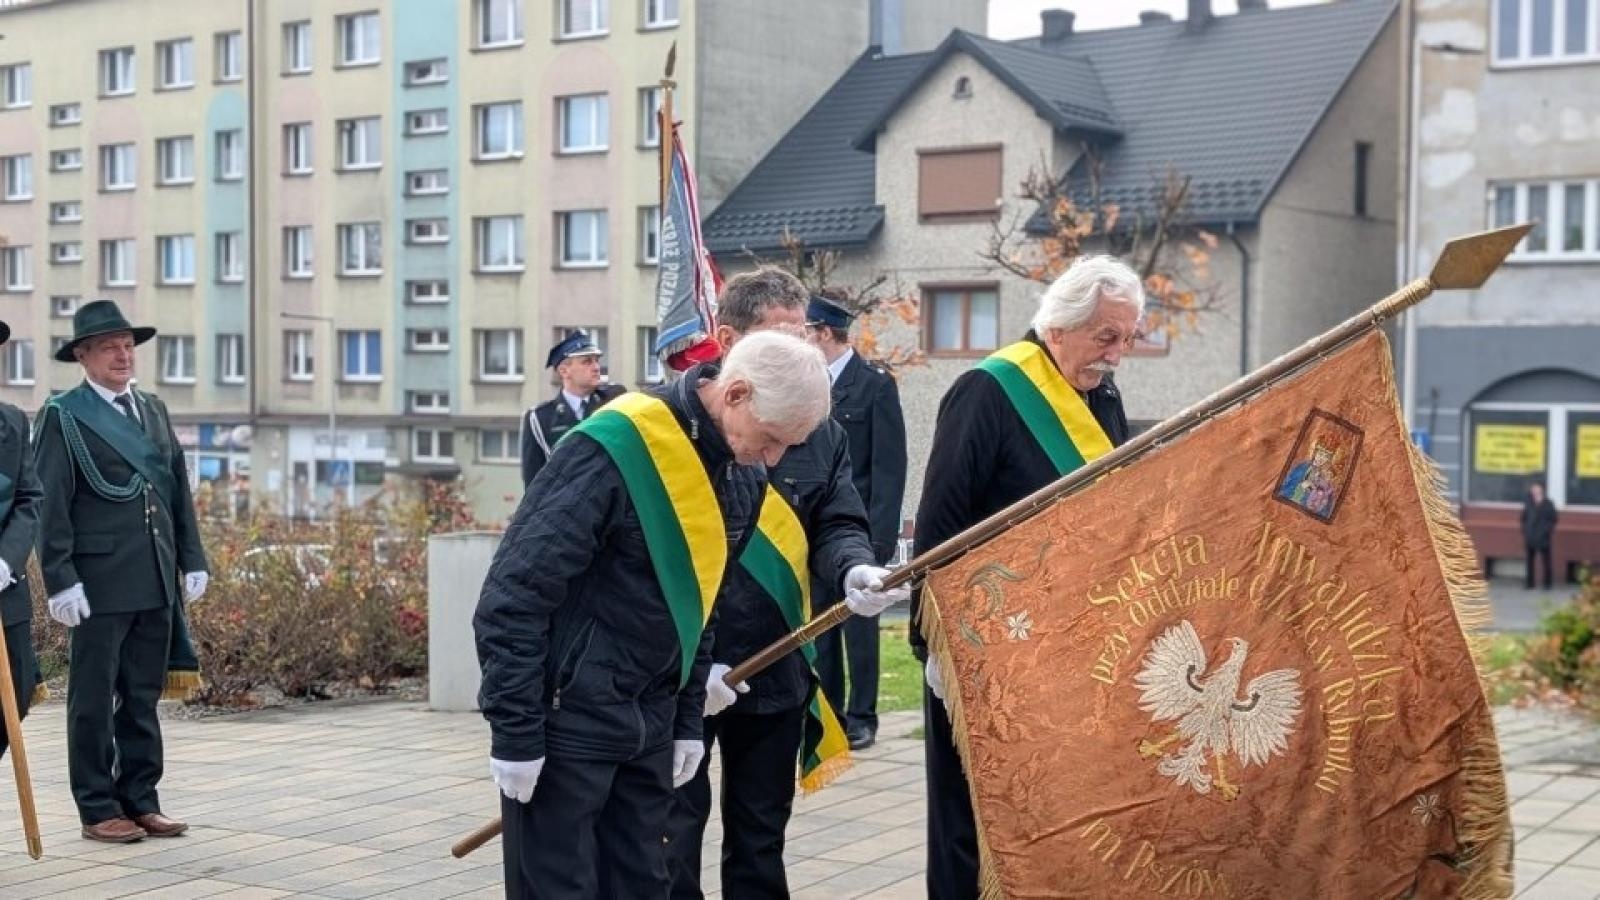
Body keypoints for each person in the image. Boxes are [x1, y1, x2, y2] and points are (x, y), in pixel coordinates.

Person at [475, 329, 835, 899]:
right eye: (770, 439)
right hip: (566, 726)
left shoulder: (742, 474)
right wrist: (516, 733)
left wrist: (687, 719)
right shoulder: (616, 446)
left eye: (788, 445)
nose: (774, 459)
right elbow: (513, 595)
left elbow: (703, 607)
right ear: (736, 394)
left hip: (651, 725)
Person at [665, 269, 906, 899]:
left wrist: (855, 567)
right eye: (780, 337)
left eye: (806, 336)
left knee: (759, 837)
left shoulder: (819, 428)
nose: (803, 354)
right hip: (686, 669)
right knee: (670, 838)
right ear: (727, 338)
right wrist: (695, 662)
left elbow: (839, 519)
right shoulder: (669, 429)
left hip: (773, 661)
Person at [913, 256, 1141, 899]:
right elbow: (939, 526)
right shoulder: (987, 392)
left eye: (1128, 338)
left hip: (1068, 643)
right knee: (969, 819)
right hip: (984, 647)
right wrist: (932, 645)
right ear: (1060, 328)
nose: (1117, 354)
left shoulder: (1101, 395)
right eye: (1106, 336)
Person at [34, 300, 209, 844]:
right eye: (109, 346)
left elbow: (176, 487)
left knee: (140, 695)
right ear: (82, 355)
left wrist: (194, 559)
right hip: (99, 581)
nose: (123, 353)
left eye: (128, 344)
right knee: (92, 698)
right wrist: (61, 578)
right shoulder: (64, 415)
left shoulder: (152, 409)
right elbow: (50, 502)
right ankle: (96, 806)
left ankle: (142, 799)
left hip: (155, 574)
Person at [805, 294, 907, 750]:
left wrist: (879, 543)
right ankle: (831, 714)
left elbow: (889, 470)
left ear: (824, 333)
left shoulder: (875, 386)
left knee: (859, 629)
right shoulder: (809, 386)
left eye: (807, 332)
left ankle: (863, 717)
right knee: (822, 629)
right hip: (815, 533)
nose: (803, 340)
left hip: (860, 534)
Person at [0, 319, 43, 764]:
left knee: (18, 694)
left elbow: (30, 498)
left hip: (5, 594)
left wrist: (6, 560)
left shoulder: (12, 422)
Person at [519, 331, 626, 487]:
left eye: (597, 360)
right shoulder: (539, 419)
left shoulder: (613, 401)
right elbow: (533, 483)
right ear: (564, 371)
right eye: (587, 362)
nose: (596, 367)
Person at [1521, 481, 1559, 590]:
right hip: (1530, 536)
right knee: (1529, 561)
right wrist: (1525, 530)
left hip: (1543, 536)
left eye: (1537, 488)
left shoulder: (1548, 503)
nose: (1535, 491)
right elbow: (1523, 518)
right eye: (1533, 489)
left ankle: (1547, 584)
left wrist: (1547, 530)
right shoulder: (1528, 503)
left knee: (1546, 560)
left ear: (1542, 490)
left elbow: (1554, 518)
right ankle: (1529, 583)